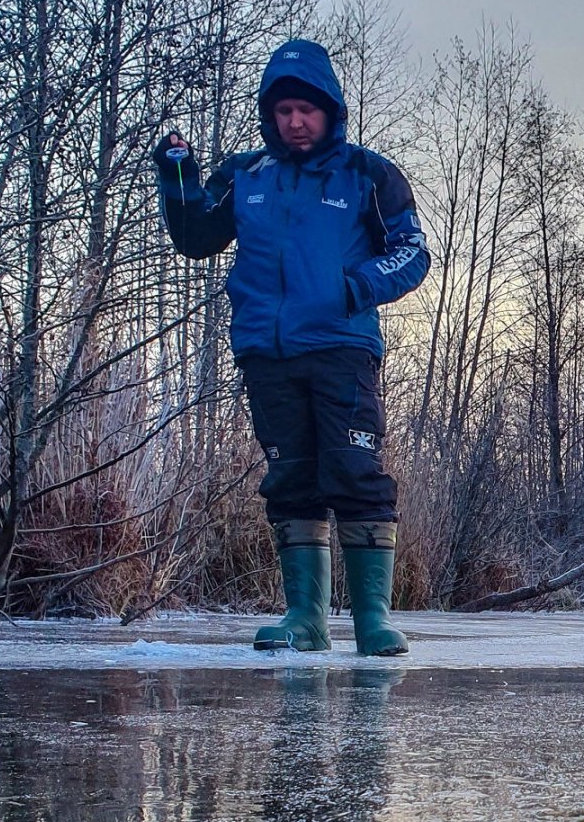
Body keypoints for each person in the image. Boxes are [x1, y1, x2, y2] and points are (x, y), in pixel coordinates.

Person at [152, 39, 431, 656]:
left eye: (307, 109)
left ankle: (371, 622)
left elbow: (413, 255)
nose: (295, 121)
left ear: (330, 110)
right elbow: (197, 236)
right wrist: (176, 176)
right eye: (283, 111)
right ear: (269, 115)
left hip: (341, 347)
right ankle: (303, 618)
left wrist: (355, 286)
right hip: (265, 350)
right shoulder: (245, 176)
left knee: (355, 472)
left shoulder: (368, 174)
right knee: (291, 477)